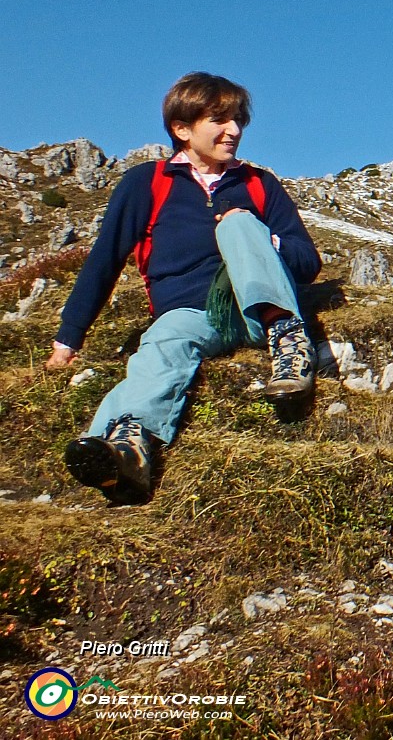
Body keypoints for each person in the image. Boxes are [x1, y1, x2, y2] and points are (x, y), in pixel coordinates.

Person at [45, 72, 322, 505]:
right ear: (182, 128)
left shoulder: (258, 184)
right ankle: (127, 449)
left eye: (238, 120)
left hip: (258, 311)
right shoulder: (147, 183)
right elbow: (106, 259)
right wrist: (68, 339)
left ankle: (289, 344)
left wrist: (261, 236)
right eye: (219, 120)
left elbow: (308, 264)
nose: (234, 131)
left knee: (240, 223)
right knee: (164, 343)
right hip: (190, 315)